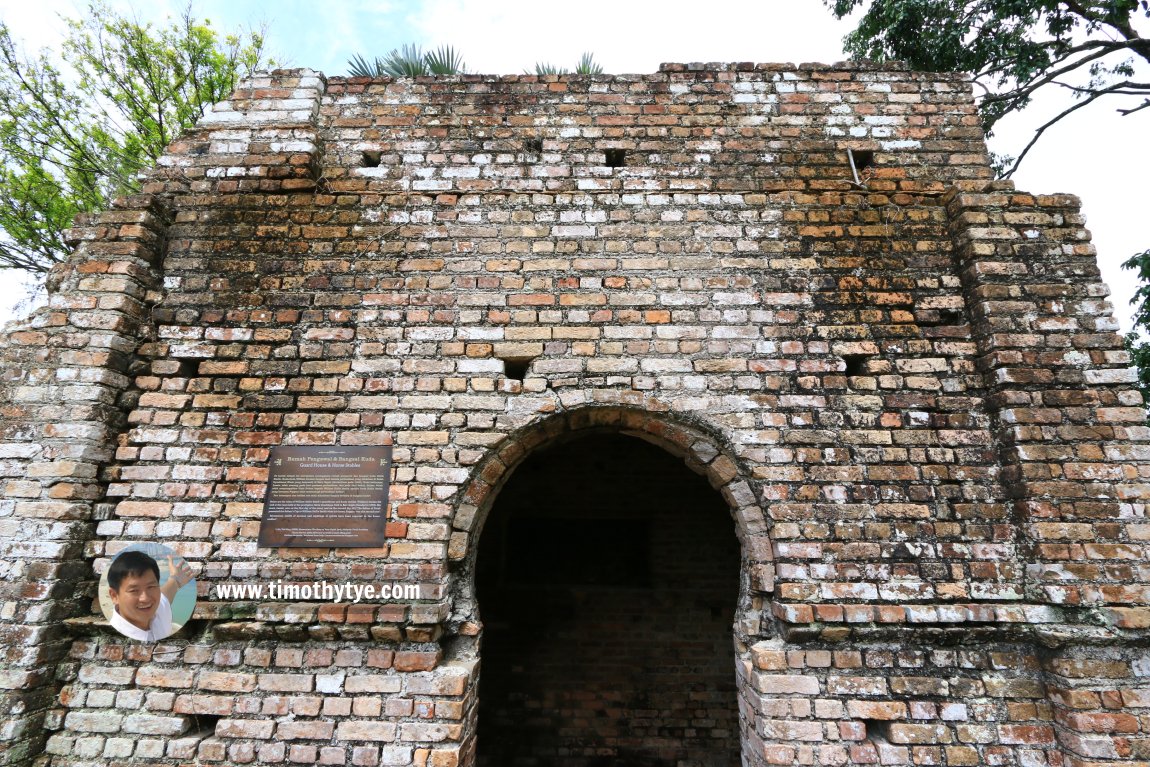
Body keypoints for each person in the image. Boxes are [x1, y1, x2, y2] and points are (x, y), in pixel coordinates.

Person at [106, 550, 193, 641]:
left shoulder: (158, 611)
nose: (145, 598)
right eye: (134, 590)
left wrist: (176, 579)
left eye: (151, 587)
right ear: (114, 596)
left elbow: (166, 594)